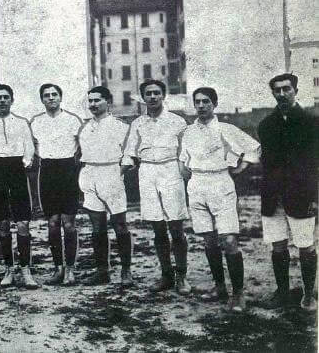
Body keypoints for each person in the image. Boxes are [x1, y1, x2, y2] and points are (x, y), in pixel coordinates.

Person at [179, 87, 260, 312]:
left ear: (214, 104)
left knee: (229, 241)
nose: (201, 106)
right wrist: (190, 180)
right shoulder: (188, 132)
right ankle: (219, 286)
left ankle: (239, 294)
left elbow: (254, 149)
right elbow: (183, 161)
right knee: (209, 241)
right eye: (198, 102)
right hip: (197, 185)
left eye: (206, 101)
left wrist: (239, 168)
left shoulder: (226, 128)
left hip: (221, 183)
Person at [123, 79, 191, 294]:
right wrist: (121, 171)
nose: (152, 97)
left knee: (176, 227)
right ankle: (166, 275)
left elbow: (186, 151)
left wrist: (184, 172)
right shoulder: (137, 124)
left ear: (163, 96)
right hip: (148, 172)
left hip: (171, 170)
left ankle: (182, 276)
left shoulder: (177, 121)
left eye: (156, 93)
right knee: (158, 227)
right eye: (148, 94)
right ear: (143, 98)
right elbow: (130, 152)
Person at [258, 73, 317, 311]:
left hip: (302, 194)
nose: (282, 94)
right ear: (273, 93)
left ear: (295, 90)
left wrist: (316, 197)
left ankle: (308, 295)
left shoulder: (311, 123)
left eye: (286, 89)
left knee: (306, 246)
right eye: (277, 90)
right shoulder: (266, 125)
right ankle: (282, 292)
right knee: (278, 246)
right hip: (273, 196)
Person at [0, 84, 39, 289]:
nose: (2, 101)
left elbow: (29, 150)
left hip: (16, 171)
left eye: (6, 97)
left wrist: (20, 165)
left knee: (23, 223)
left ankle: (25, 269)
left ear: (12, 100)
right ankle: (9, 269)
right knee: (3, 224)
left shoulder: (22, 123)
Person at [78, 86, 134, 287]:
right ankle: (103, 271)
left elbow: (129, 155)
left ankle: (126, 271)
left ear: (108, 102)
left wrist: (118, 172)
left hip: (111, 173)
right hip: (90, 174)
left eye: (97, 100)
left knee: (119, 224)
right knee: (97, 226)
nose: (93, 104)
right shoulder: (85, 127)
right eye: (90, 101)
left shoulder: (120, 126)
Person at [29, 84, 82, 286]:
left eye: (54, 95)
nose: (51, 98)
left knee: (68, 224)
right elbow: (31, 147)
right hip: (48, 171)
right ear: (42, 99)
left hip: (68, 170)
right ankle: (58, 268)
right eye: (46, 95)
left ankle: (70, 269)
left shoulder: (73, 120)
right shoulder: (36, 122)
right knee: (52, 223)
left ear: (60, 97)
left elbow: (82, 146)